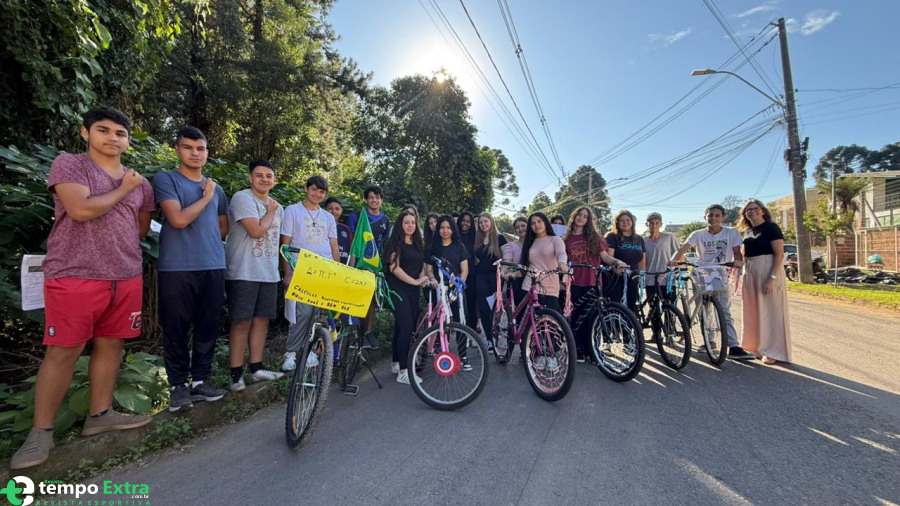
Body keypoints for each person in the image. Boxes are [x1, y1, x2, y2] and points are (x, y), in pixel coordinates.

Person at [10, 107, 154, 470]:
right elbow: (80, 210)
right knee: (62, 352)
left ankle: (99, 414)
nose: (112, 138)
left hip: (125, 275)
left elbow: (139, 228)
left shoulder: (140, 182)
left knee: (112, 344)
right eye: (103, 130)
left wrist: (129, 188)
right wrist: (124, 188)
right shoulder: (71, 165)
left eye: (120, 133)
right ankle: (41, 432)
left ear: (128, 140)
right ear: (85, 132)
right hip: (74, 273)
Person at [154, 126, 229, 412]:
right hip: (177, 267)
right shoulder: (166, 179)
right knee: (176, 326)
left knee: (208, 325)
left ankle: (200, 381)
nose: (195, 153)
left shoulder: (217, 188)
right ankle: (177, 386)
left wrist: (211, 197)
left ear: (207, 152)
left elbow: (223, 227)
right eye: (188, 147)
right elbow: (178, 219)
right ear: (177, 150)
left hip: (213, 264)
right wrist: (206, 198)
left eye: (200, 148)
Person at [224, 159, 284, 392]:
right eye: (259, 175)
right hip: (243, 270)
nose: (264, 179)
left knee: (261, 320)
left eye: (269, 176)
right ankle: (235, 375)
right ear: (250, 177)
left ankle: (257, 368)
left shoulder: (279, 206)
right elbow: (256, 231)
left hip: (268, 272)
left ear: (274, 180)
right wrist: (270, 211)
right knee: (241, 322)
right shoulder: (243, 198)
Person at [671, 204, 756, 361]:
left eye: (717, 215)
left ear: (723, 218)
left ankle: (734, 346)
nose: (713, 218)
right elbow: (683, 249)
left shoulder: (731, 233)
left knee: (724, 310)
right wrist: (674, 260)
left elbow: (737, 253)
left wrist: (738, 262)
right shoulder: (698, 234)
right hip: (701, 272)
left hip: (722, 272)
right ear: (705, 217)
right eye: (710, 215)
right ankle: (709, 341)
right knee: (705, 308)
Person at [280, 176, 340, 371]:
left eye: (322, 192)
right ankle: (291, 353)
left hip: (324, 270)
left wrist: (338, 271)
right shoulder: (292, 211)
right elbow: (285, 243)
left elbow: (333, 245)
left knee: (318, 314)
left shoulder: (328, 217)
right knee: (301, 313)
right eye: (314, 189)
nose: (317, 194)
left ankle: (310, 353)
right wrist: (287, 271)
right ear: (306, 189)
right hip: (300, 268)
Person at [563, 207, 624, 362]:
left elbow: (605, 257)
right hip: (574, 283)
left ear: (588, 220)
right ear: (574, 216)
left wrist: (617, 262)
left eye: (585, 216)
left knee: (592, 317)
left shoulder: (594, 237)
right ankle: (577, 350)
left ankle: (593, 350)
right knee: (576, 317)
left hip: (592, 282)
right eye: (579, 214)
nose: (581, 218)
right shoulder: (566, 239)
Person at [738, 199, 791, 364]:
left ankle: (773, 351)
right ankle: (754, 347)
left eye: (755, 208)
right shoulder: (747, 232)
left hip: (768, 270)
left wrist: (772, 277)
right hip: (751, 272)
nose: (752, 211)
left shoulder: (771, 228)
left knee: (771, 311)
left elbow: (779, 254)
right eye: (748, 210)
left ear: (762, 211)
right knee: (752, 310)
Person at [383, 211, 430, 383]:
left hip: (413, 291)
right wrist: (416, 281)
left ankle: (396, 363)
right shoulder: (395, 243)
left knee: (400, 327)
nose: (410, 225)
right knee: (407, 327)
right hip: (398, 289)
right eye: (406, 222)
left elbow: (421, 265)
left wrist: (423, 277)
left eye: (413, 222)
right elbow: (395, 268)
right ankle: (404, 371)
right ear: (400, 225)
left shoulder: (418, 243)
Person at [426, 216, 472, 370]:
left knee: (460, 321)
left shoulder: (460, 246)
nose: (445, 231)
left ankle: (463, 356)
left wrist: (457, 286)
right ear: (438, 229)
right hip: (439, 288)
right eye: (442, 228)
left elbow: (464, 270)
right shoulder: (432, 247)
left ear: (453, 229)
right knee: (440, 322)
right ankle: (440, 353)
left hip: (456, 290)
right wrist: (433, 280)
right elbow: (428, 269)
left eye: (448, 227)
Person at [348, 186, 391, 349]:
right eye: (371, 197)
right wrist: (351, 267)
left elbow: (385, 245)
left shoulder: (385, 220)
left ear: (381, 200)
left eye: (377, 197)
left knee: (372, 300)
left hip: (375, 267)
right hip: (357, 266)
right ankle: (355, 333)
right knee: (357, 298)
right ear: (366, 199)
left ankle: (368, 333)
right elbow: (353, 244)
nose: (374, 200)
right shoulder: (356, 217)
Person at [520, 213, 568, 313]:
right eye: (533, 223)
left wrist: (562, 263)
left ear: (545, 222)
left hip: (550, 287)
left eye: (539, 221)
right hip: (529, 286)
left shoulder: (555, 239)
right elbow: (525, 263)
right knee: (529, 323)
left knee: (549, 324)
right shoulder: (529, 242)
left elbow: (561, 253)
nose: (536, 225)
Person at [643, 213, 682, 335]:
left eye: (657, 223)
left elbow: (679, 254)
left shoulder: (669, 238)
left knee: (669, 307)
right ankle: (656, 334)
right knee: (654, 308)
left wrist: (677, 270)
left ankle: (670, 333)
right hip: (651, 278)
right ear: (647, 224)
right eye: (651, 223)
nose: (654, 225)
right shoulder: (643, 241)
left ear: (661, 224)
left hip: (667, 278)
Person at [473, 213, 507, 351]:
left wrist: (504, 272)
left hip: (495, 277)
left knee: (495, 310)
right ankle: (488, 339)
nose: (483, 224)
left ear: (491, 221)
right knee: (483, 309)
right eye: (481, 222)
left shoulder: (500, 238)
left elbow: (506, 257)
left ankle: (497, 337)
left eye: (485, 221)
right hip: (480, 277)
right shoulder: (478, 239)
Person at [604, 210, 646, 314]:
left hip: (633, 279)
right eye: (621, 220)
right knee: (617, 309)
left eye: (628, 220)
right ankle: (615, 329)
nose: (625, 222)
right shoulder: (612, 236)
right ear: (617, 223)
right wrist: (616, 269)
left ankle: (629, 329)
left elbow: (642, 259)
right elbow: (609, 258)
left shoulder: (639, 239)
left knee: (631, 309)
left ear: (632, 222)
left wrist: (642, 275)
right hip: (616, 279)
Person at [501, 216, 529, 304]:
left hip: (535, 278)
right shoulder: (511, 246)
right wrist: (503, 272)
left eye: (523, 225)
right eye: (517, 227)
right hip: (518, 279)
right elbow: (507, 262)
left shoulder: (537, 243)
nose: (520, 229)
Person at [457, 211, 477, 328]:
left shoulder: (475, 236)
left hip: (471, 274)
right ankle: (460, 330)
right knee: (458, 305)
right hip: (456, 274)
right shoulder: (454, 236)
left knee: (471, 304)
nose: (465, 223)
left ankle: (472, 330)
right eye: (463, 220)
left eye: (468, 221)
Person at [324, 197, 353, 264]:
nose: (334, 211)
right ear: (324, 210)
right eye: (330, 208)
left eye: (337, 209)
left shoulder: (346, 229)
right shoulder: (320, 227)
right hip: (325, 264)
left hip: (343, 267)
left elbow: (351, 250)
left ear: (341, 211)